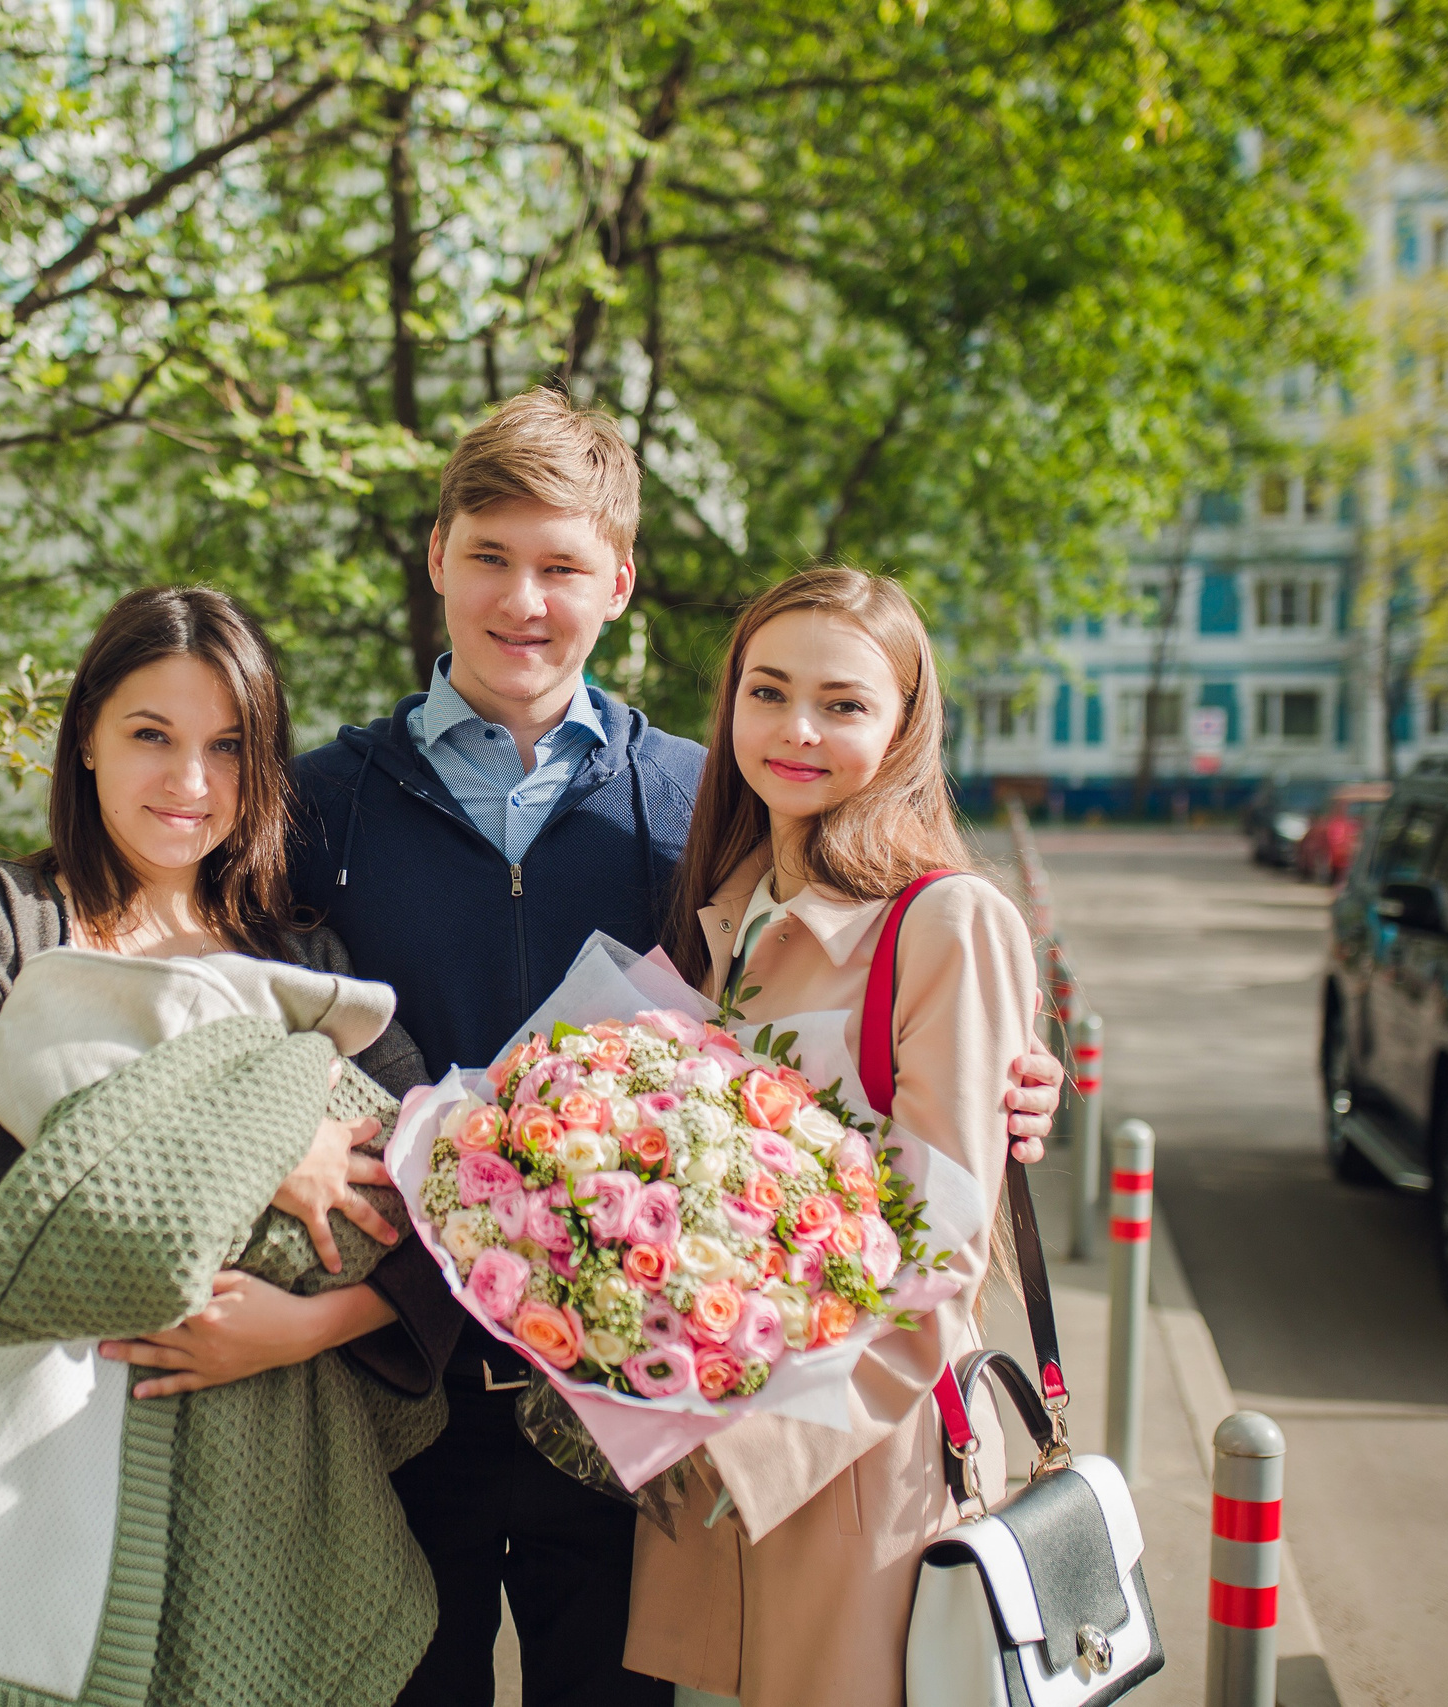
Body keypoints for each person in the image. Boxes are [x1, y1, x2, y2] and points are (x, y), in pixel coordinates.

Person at [265, 389, 1065, 1707]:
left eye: (565, 566)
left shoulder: (708, 802)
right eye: (492, 557)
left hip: (637, 1415)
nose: (526, 599)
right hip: (394, 1388)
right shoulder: (318, 806)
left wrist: (1012, 1094)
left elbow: (865, 1048)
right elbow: (231, 1009)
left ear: (620, 581)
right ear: (438, 556)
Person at [0, 585, 462, 1707]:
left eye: (226, 747)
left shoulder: (308, 960)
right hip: (7, 1475)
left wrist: (307, 1323)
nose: (189, 782)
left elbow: (438, 1198)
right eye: (150, 737)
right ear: (85, 741)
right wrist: (261, 1150)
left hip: (261, 1483)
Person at [622, 564, 1036, 1707]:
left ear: (904, 724)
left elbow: (936, 1248)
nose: (796, 730)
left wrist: (746, 1445)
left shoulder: (947, 922)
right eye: (767, 692)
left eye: (844, 704)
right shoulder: (727, 913)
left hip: (857, 1468)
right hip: (712, 1461)